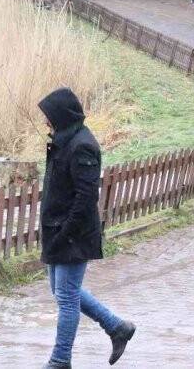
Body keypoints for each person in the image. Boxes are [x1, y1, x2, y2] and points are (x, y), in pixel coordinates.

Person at [37, 87, 135, 368]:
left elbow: (86, 198)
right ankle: (117, 327)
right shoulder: (63, 140)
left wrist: (65, 234)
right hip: (57, 231)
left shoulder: (83, 146)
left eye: (49, 116)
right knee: (63, 291)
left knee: (66, 298)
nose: (46, 122)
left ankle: (60, 360)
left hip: (73, 235)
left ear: (62, 116)